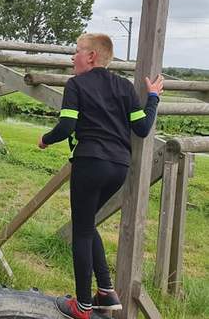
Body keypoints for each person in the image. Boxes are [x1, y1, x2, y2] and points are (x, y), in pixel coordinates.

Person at [38, 33, 162, 318]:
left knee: (81, 231)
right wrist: (153, 97)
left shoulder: (76, 85)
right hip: (118, 167)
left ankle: (81, 306)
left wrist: (45, 139)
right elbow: (142, 128)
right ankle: (106, 292)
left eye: (77, 51)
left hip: (90, 163)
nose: (73, 57)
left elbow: (67, 125)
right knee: (87, 223)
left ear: (91, 56)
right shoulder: (124, 87)